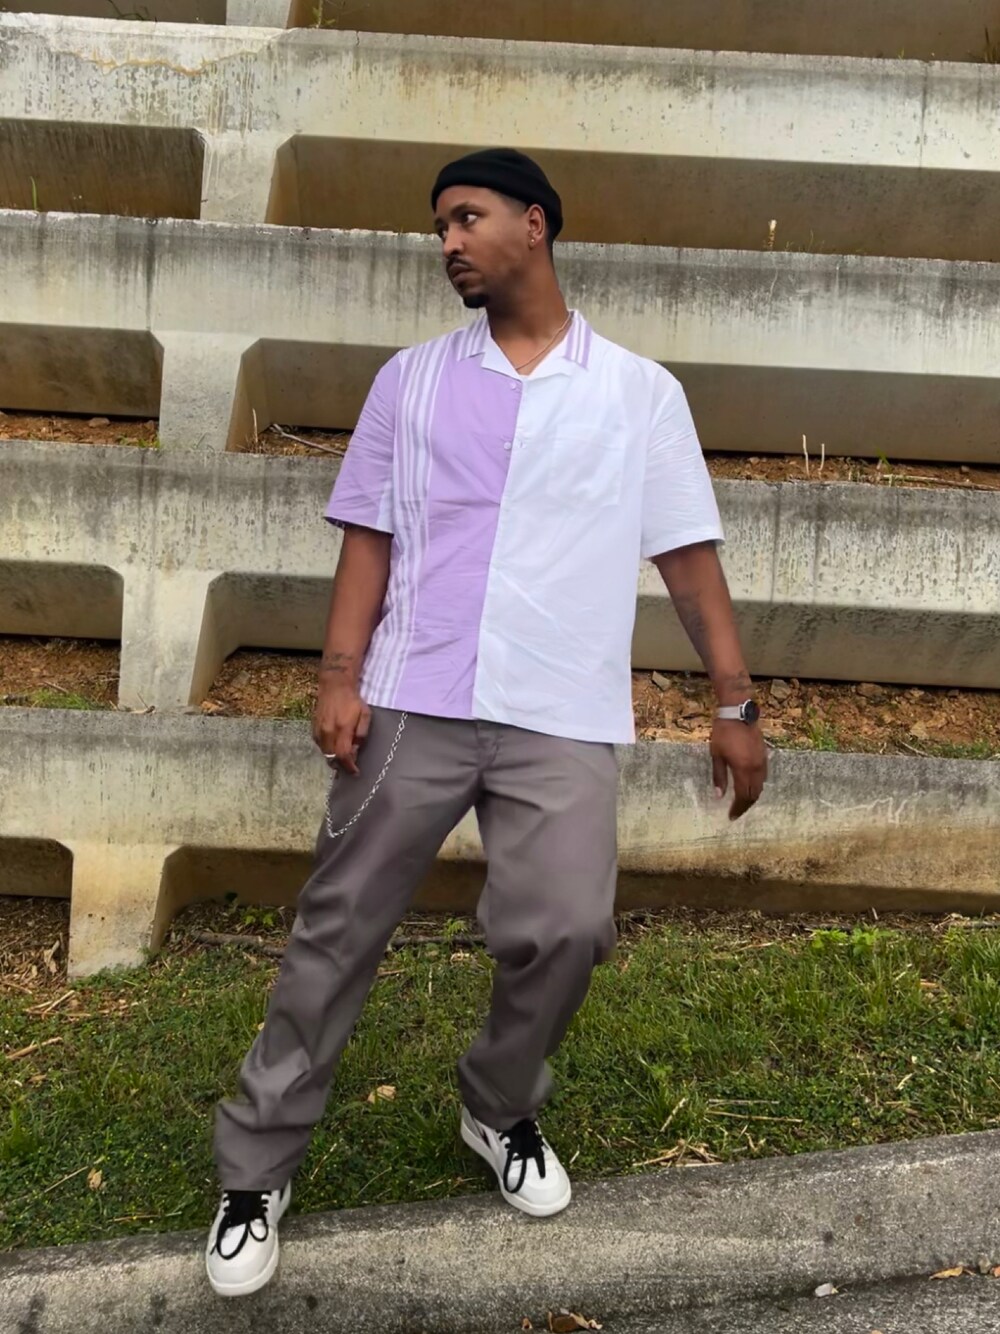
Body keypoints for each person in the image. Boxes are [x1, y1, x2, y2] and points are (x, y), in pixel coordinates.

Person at [206, 148, 767, 1297]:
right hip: (412, 697)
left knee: (566, 927)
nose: (448, 243)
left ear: (536, 223)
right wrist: (337, 673)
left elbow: (687, 556)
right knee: (337, 930)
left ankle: (498, 1103)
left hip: (560, 709)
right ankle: (255, 1170)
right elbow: (368, 534)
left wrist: (734, 701)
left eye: (466, 218)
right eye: (439, 228)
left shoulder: (638, 393)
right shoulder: (408, 381)